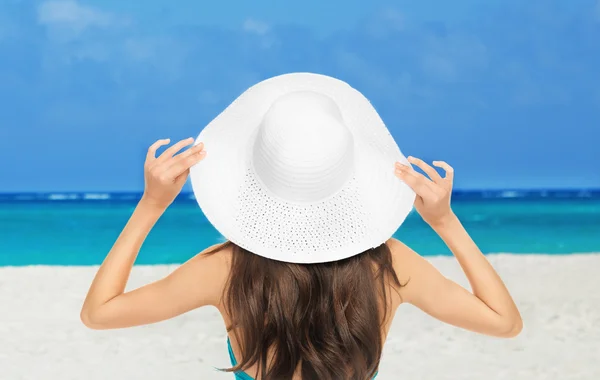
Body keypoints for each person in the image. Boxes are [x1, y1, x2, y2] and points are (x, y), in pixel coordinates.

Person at [80, 73, 522, 380]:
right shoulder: (389, 267)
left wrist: (151, 205)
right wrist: (445, 222)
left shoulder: (225, 270)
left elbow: (99, 313)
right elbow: (504, 322)